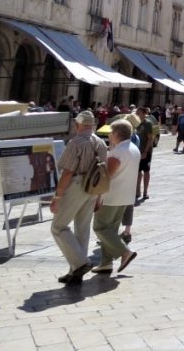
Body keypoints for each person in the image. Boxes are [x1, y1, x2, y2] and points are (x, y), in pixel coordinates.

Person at [50, 110, 107, 284]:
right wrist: (99, 197)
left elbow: (67, 173)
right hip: (94, 187)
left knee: (58, 227)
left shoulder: (76, 142)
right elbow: (103, 171)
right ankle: (76, 272)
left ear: (78, 125)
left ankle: (80, 263)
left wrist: (57, 197)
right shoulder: (100, 143)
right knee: (82, 228)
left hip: (76, 185)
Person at [91, 120, 140, 274]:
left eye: (111, 132)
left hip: (111, 197)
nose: (109, 135)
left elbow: (106, 177)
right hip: (126, 197)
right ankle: (106, 263)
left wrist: (97, 197)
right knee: (110, 230)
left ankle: (125, 252)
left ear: (117, 134)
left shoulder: (118, 152)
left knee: (100, 228)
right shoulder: (133, 148)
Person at [134, 107, 155, 202]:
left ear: (144, 113)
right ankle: (137, 191)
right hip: (136, 151)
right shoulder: (135, 123)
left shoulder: (147, 124)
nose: (137, 115)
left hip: (146, 152)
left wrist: (145, 151)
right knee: (138, 172)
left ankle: (145, 191)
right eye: (136, 113)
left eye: (138, 113)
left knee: (146, 171)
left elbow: (150, 139)